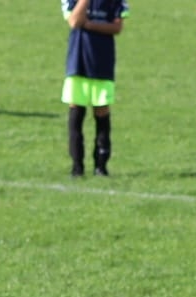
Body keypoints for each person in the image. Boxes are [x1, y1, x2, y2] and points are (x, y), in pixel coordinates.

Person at [61, 0, 127, 177]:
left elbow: (117, 27)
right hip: (78, 62)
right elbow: (74, 21)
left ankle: (101, 167)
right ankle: (77, 167)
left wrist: (89, 24)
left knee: (102, 111)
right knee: (76, 112)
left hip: (102, 63)